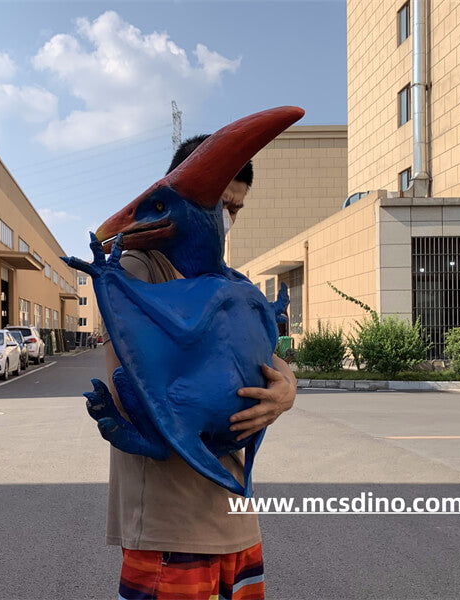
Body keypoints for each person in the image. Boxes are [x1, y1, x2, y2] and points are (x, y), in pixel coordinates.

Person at [102, 134, 297, 600]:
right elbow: (128, 390)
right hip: (171, 529)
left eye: (237, 208)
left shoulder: (231, 281)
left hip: (235, 518)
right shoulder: (136, 271)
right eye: (221, 203)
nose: (227, 218)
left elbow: (270, 358)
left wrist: (287, 388)